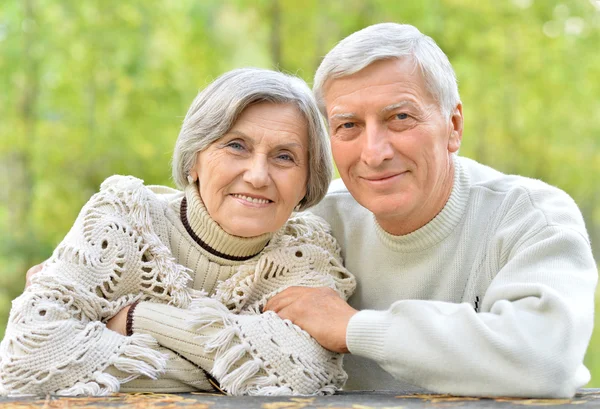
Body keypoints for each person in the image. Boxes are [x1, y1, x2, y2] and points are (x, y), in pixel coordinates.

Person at [265, 23, 598, 398]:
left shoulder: (530, 215)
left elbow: (544, 358)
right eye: (349, 125)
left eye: (400, 118)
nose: (374, 153)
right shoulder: (309, 224)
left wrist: (353, 329)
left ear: (453, 126)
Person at [0, 68, 355, 396]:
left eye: (284, 157)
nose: (258, 175)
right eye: (236, 146)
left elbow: (305, 377)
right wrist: (227, 375)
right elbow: (26, 358)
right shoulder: (123, 219)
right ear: (195, 158)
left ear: (307, 181)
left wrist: (141, 319)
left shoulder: (306, 251)